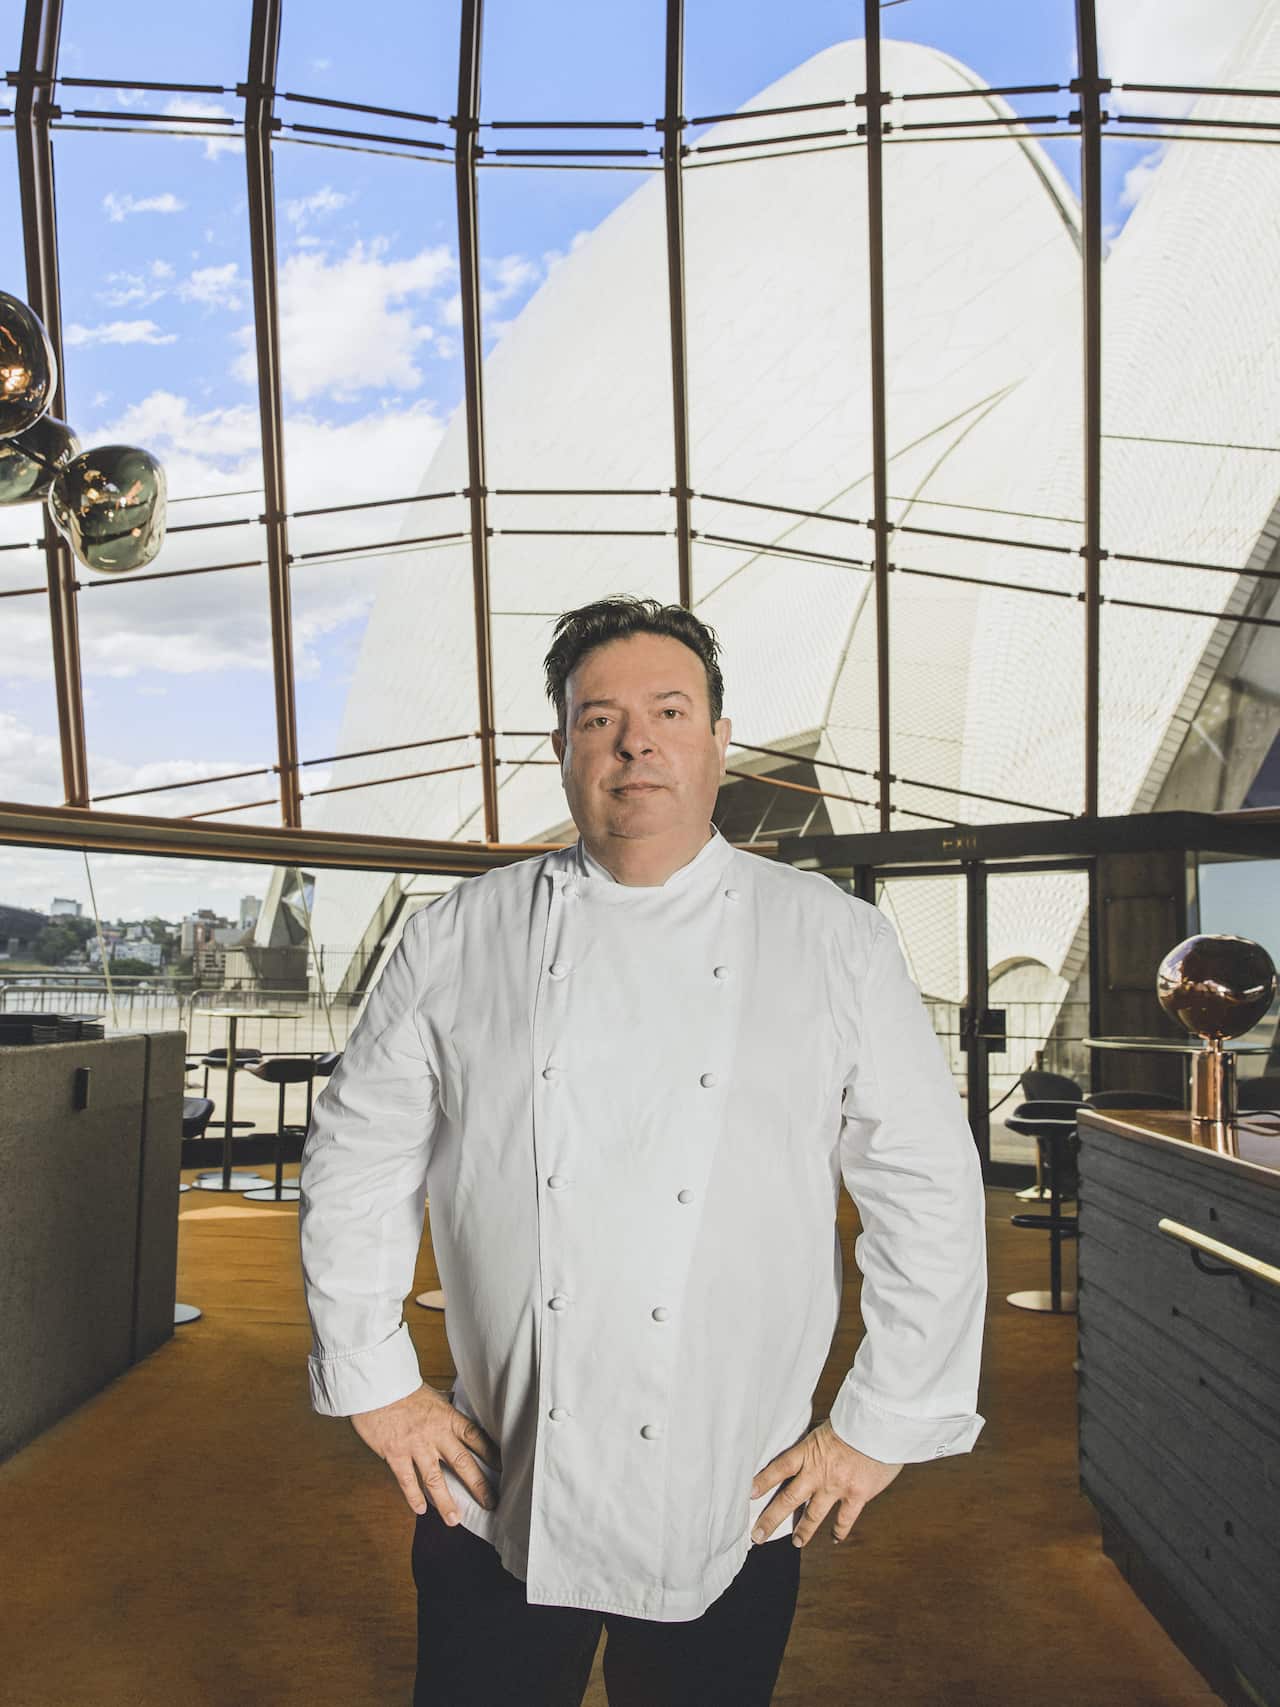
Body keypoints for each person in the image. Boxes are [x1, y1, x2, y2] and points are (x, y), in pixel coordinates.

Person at [298, 595, 988, 1707]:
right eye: (596, 717)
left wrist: (881, 1425)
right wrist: (377, 1382)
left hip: (736, 1487)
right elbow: (355, 1162)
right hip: (494, 1482)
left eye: (669, 710)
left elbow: (926, 1194)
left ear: (719, 738)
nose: (634, 743)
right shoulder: (455, 934)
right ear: (563, 748)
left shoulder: (833, 940)